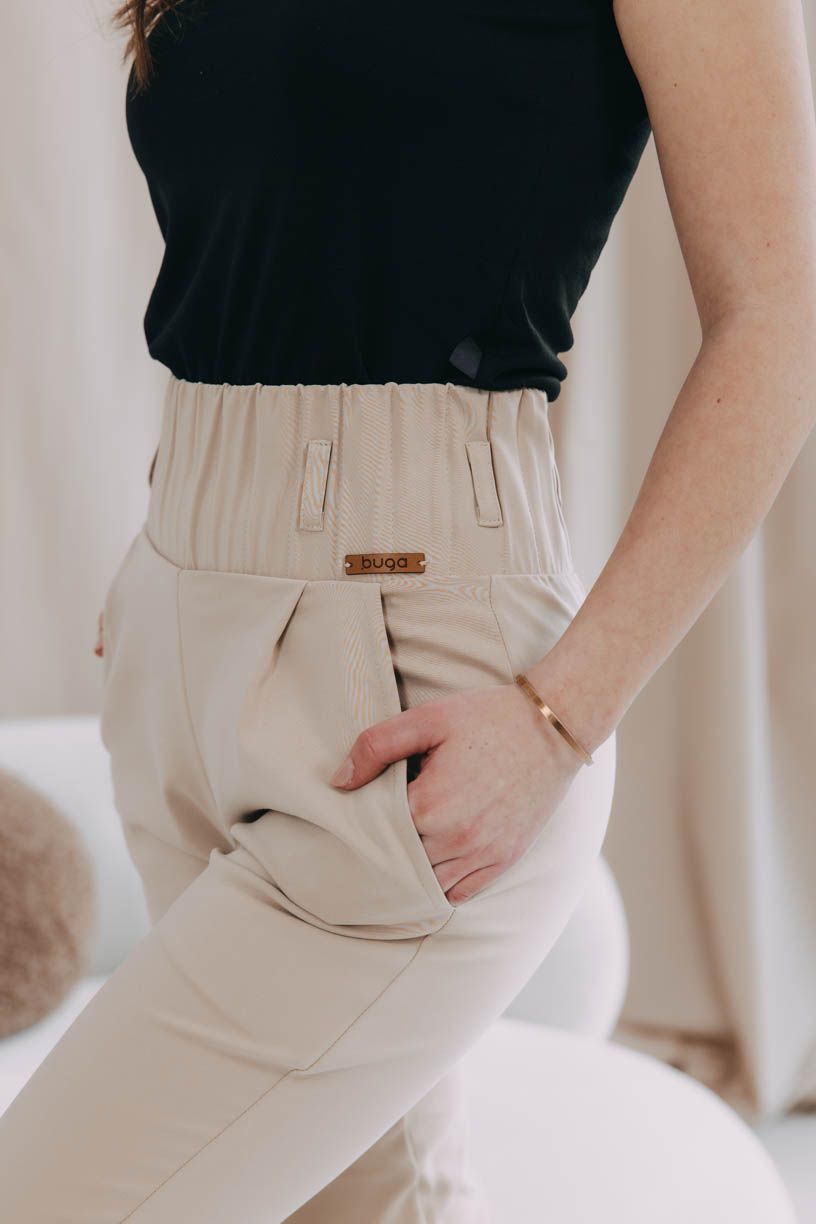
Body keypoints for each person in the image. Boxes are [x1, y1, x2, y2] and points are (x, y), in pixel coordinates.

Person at [3, 1, 816, 1220]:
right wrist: (179, 563)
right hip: (181, 643)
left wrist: (559, 719)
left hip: (414, 676)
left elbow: (779, 318)